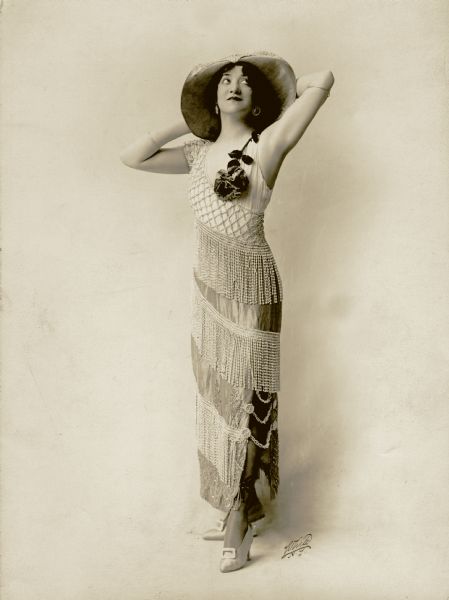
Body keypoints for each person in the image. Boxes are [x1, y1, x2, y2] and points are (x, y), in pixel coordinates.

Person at [120, 51, 334, 572]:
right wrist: (190, 118)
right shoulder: (197, 152)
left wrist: (298, 86)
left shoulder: (269, 143)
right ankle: (237, 502)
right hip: (209, 285)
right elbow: (134, 156)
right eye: (225, 80)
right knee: (217, 397)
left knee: (249, 400)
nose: (235, 86)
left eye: (245, 82)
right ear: (212, 97)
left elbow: (321, 81)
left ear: (258, 99)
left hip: (253, 281)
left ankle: (241, 518)